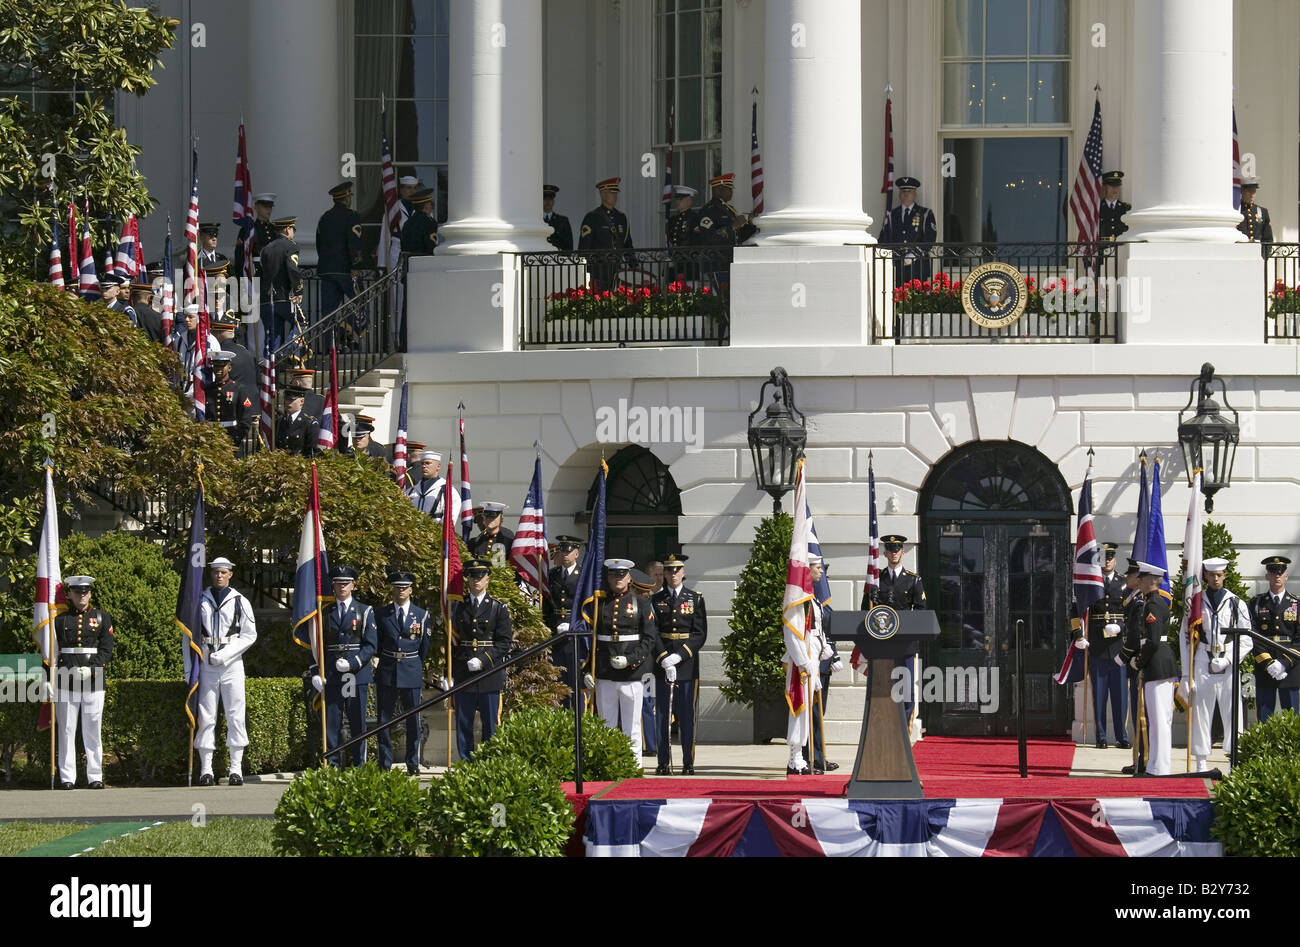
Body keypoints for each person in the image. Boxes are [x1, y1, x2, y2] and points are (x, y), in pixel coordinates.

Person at [192, 557, 257, 786]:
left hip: (232, 664)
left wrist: (227, 654)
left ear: (230, 574)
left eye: (223, 572)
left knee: (235, 715)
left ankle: (235, 769)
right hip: (207, 662)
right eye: (216, 572)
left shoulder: (240, 601)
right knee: (206, 716)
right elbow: (187, 636)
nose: (219, 576)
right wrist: (189, 668)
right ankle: (206, 769)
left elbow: (250, 635)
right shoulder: (200, 599)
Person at [1184, 557, 1252, 770]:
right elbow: (1187, 636)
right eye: (1211, 575)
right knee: (1201, 710)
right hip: (1203, 657)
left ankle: (1234, 759)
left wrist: (1229, 659)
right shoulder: (1197, 600)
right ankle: (1201, 761)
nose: (1215, 579)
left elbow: (1248, 637)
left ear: (1225, 576)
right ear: (1205, 575)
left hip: (1227, 659)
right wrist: (1187, 673)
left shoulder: (1235, 602)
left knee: (1232, 711)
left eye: (1219, 575)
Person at [310, 565, 378, 767]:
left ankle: (358, 765)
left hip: (357, 674)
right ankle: (332, 764)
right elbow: (316, 644)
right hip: (331, 674)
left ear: (353, 586)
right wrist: (316, 671)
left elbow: (371, 645)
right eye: (338, 583)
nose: (342, 587)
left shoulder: (364, 611)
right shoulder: (324, 613)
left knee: (357, 721)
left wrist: (352, 663)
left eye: (346, 583)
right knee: (332, 722)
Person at [589, 558, 659, 752]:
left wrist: (631, 659)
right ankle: (609, 765)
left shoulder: (642, 603)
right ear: (608, 579)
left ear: (629, 578)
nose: (618, 579)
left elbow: (649, 638)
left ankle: (634, 766)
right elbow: (592, 638)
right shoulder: (600, 603)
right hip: (605, 670)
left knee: (632, 726)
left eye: (622, 575)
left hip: (631, 672)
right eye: (613, 575)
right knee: (606, 724)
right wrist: (588, 669)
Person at [52, 576, 114, 789]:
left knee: (92, 728)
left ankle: (95, 776)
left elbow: (106, 649)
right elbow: (53, 652)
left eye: (85, 592)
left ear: (90, 593)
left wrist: (92, 670)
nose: (82, 596)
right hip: (66, 679)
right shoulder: (60, 621)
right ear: (69, 595)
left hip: (93, 681)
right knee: (67, 730)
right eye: (77, 592)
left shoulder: (102, 618)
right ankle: (67, 777)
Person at [863, 535, 928, 738]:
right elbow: (864, 612)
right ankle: (885, 731)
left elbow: (921, 611)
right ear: (884, 554)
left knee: (905, 690)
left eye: (897, 549)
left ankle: (903, 733)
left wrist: (900, 615)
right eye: (890, 550)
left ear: (903, 552)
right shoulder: (876, 580)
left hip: (904, 644)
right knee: (883, 689)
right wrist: (873, 601)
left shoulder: (913, 579)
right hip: (881, 645)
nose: (894, 553)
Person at [451, 558, 514, 759]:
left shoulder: (498, 608)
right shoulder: (457, 607)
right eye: (472, 577)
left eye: (480, 577)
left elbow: (504, 643)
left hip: (489, 673)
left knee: (490, 724)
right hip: (463, 673)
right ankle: (465, 764)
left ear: (487, 580)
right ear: (467, 580)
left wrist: (483, 660)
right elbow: (452, 642)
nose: (476, 581)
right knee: (463, 723)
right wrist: (449, 672)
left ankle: (490, 762)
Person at [650, 552, 707, 775]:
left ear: (683, 573)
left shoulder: (695, 598)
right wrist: (664, 658)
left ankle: (687, 762)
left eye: (677, 570)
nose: (673, 574)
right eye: (669, 570)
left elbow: (700, 634)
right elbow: (652, 632)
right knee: (663, 715)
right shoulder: (655, 600)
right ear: (663, 574)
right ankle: (663, 762)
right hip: (663, 664)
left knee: (686, 716)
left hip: (686, 665)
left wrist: (679, 656)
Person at [1070, 542, 1129, 749]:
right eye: (1104, 558)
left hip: (1118, 648)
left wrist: (1121, 627)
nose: (1108, 561)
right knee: (1099, 695)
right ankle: (1101, 736)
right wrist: (1078, 635)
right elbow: (1075, 611)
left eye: (1111, 558)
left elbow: (1133, 614)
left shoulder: (1124, 583)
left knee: (1120, 695)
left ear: (1115, 559)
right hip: (1096, 646)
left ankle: (1122, 735)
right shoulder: (1090, 583)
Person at [374, 570, 430, 775]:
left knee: (413, 720)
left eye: (405, 587)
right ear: (392, 590)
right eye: (397, 587)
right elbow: (377, 644)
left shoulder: (421, 615)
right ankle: (385, 763)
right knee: (384, 720)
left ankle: (413, 762)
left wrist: (413, 663)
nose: (401, 591)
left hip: (411, 669)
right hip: (388, 669)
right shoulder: (381, 614)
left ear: (411, 590)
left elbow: (424, 647)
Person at [783, 557, 832, 776]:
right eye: (817, 568)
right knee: (799, 708)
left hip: (813, 660)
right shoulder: (799, 600)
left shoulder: (812, 600)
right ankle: (795, 759)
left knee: (807, 710)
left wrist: (823, 651)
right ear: (806, 571)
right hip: (801, 661)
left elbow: (815, 632)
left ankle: (801, 757)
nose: (821, 572)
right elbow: (791, 634)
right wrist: (803, 662)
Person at [1129, 562, 1175, 776]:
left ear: (1151, 581)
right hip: (1156, 664)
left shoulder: (1154, 604)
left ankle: (1161, 767)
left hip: (1157, 663)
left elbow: (1154, 640)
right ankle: (1156, 765)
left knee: (1160, 720)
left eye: (1141, 578)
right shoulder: (1152, 602)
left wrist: (1139, 661)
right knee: (1157, 720)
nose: (1138, 581)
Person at [804, 555, 843, 774]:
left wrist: (834, 656)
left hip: (823, 666)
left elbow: (827, 634)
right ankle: (809, 757)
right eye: (819, 570)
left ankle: (818, 756)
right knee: (811, 714)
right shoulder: (806, 602)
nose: (822, 575)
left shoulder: (820, 604)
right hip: (811, 665)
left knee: (819, 713)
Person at [1249, 555, 1300, 723]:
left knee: (1291, 716)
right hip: (1265, 666)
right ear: (1267, 576)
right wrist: (1269, 663)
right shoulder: (1256, 603)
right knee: (1264, 715)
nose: (1277, 575)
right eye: (1273, 571)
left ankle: (1291, 750)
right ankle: (1263, 749)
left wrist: (1284, 662)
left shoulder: (1296, 603)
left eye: (1280, 572)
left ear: (1286, 575)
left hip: (1290, 667)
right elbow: (1253, 635)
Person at [545, 535, 585, 712]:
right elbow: (547, 604)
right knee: (557, 683)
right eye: (562, 551)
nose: (565, 555)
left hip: (574, 635)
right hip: (555, 634)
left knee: (575, 682)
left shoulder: (583, 575)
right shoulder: (552, 574)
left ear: (576, 553)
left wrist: (572, 624)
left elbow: (588, 607)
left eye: (568, 552)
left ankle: (578, 723)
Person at [316, 181, 364, 319]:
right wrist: (356, 265)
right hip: (345, 270)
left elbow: (319, 245)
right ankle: (349, 337)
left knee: (327, 316)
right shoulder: (352, 216)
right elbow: (354, 242)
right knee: (360, 306)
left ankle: (327, 340)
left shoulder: (324, 218)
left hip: (327, 270)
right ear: (347, 197)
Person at [878, 176, 937, 285]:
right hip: (897, 265)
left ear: (915, 194)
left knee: (918, 300)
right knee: (897, 299)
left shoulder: (925, 213)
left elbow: (930, 238)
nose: (906, 194)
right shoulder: (892, 214)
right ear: (899, 194)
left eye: (909, 191)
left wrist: (915, 253)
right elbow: (884, 238)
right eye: (903, 191)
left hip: (918, 266)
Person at [578, 177, 633, 292]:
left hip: (617, 272)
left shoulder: (621, 218)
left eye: (616, 193)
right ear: (603, 195)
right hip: (598, 273)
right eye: (612, 193)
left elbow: (627, 246)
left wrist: (635, 267)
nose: (615, 196)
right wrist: (584, 272)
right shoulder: (592, 217)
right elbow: (584, 247)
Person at [1120, 558, 1148, 775]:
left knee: (1142, 714)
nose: (1127, 578)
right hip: (1133, 664)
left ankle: (1144, 759)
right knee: (1137, 711)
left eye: (1130, 576)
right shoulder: (1131, 599)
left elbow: (1137, 633)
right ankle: (1139, 757)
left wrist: (1125, 656)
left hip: (1138, 663)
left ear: (1138, 580)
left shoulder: (1139, 603)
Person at [259, 217, 303, 353]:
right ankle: (285, 354)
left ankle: (270, 371)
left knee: (272, 338)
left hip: (266, 300)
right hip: (285, 298)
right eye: (293, 229)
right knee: (302, 323)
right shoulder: (291, 246)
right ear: (287, 229)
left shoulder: (265, 249)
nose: (293, 232)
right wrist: (298, 290)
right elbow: (293, 269)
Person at [204, 351, 256, 452]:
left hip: (231, 439)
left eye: (222, 366)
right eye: (216, 366)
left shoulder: (238, 389)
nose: (218, 369)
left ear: (229, 368)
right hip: (210, 440)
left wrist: (235, 439)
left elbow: (246, 419)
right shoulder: (208, 390)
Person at [405, 449, 460, 523]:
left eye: (428, 463)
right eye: (422, 463)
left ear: (438, 466)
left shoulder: (448, 491)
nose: (424, 466)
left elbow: (451, 519)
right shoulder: (411, 491)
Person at [211, 315, 257, 398]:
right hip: (250, 401)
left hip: (229, 401)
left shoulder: (220, 354)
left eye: (212, 332)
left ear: (218, 333)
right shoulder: (246, 352)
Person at [233, 192, 276, 278]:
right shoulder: (249, 230)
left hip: (273, 272)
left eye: (270, 207)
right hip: (256, 273)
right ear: (256, 207)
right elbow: (241, 256)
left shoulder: (275, 229)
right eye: (265, 207)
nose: (268, 210)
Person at [275, 386, 320, 456]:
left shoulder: (309, 423)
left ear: (301, 401)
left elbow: (312, 451)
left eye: (291, 400)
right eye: (286, 399)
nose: (287, 403)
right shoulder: (280, 421)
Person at [666, 185, 698, 282]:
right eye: (677, 199)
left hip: (689, 263)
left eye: (681, 199)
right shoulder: (672, 220)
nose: (677, 202)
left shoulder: (695, 218)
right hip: (674, 262)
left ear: (689, 200)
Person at [467, 502, 514, 566]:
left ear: (501, 519)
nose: (489, 519)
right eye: (486, 516)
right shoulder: (477, 541)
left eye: (493, 517)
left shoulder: (508, 540)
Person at [1238, 179, 1272, 258]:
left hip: (1257, 255)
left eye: (1254, 191)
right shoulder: (1237, 210)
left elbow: (1268, 238)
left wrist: (1264, 257)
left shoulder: (1262, 212)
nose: (1252, 194)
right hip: (1240, 253)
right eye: (1249, 191)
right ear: (1242, 191)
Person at [400, 187, 438, 256]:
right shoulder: (429, 222)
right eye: (430, 204)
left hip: (409, 263)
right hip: (424, 262)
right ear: (426, 206)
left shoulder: (407, 223)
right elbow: (432, 248)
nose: (431, 207)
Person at [1098, 171, 1129, 241]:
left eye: (1117, 186)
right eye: (1112, 186)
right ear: (1105, 187)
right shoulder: (1098, 208)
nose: (1115, 189)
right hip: (1103, 247)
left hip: (1120, 248)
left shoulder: (1125, 208)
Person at [544, 184, 573, 252]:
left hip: (558, 259)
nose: (548, 202)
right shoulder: (537, 220)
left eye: (550, 199)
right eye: (545, 199)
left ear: (553, 202)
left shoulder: (563, 221)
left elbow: (569, 246)